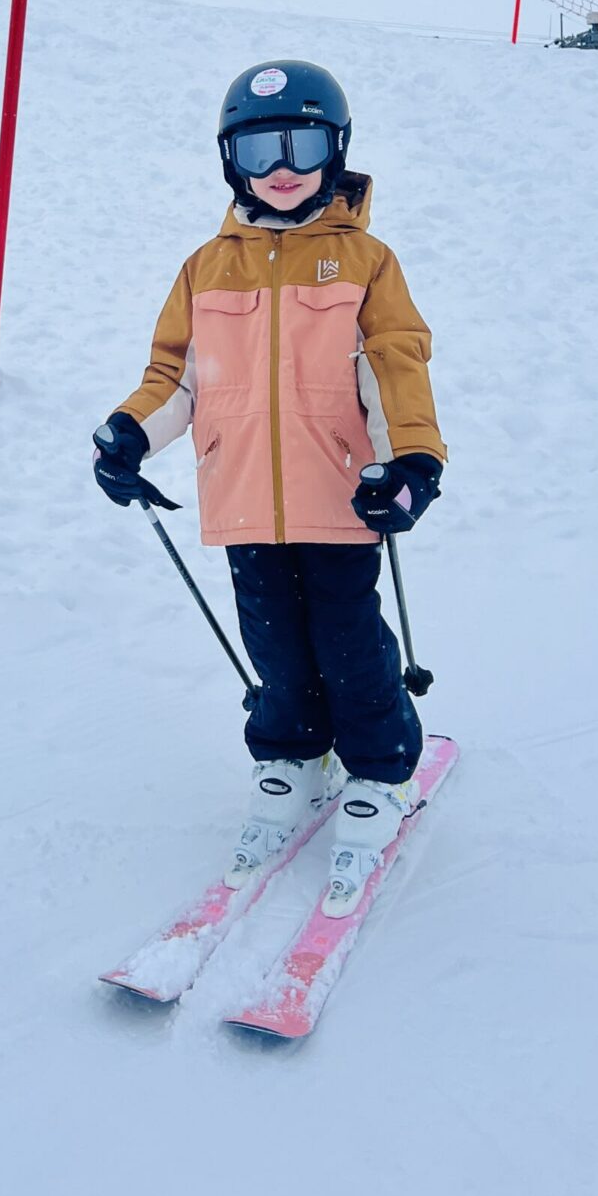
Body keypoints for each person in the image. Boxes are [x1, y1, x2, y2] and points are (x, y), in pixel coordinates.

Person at [93, 60, 446, 916]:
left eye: (301, 146)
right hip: (243, 493)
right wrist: (132, 432)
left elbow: (393, 364)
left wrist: (412, 461)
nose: (281, 168)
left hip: (339, 496)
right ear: (232, 162)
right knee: (275, 646)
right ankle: (290, 756)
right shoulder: (205, 269)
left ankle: (380, 770)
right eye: (259, 151)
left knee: (350, 643)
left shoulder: (366, 261)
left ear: (336, 150)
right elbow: (176, 376)